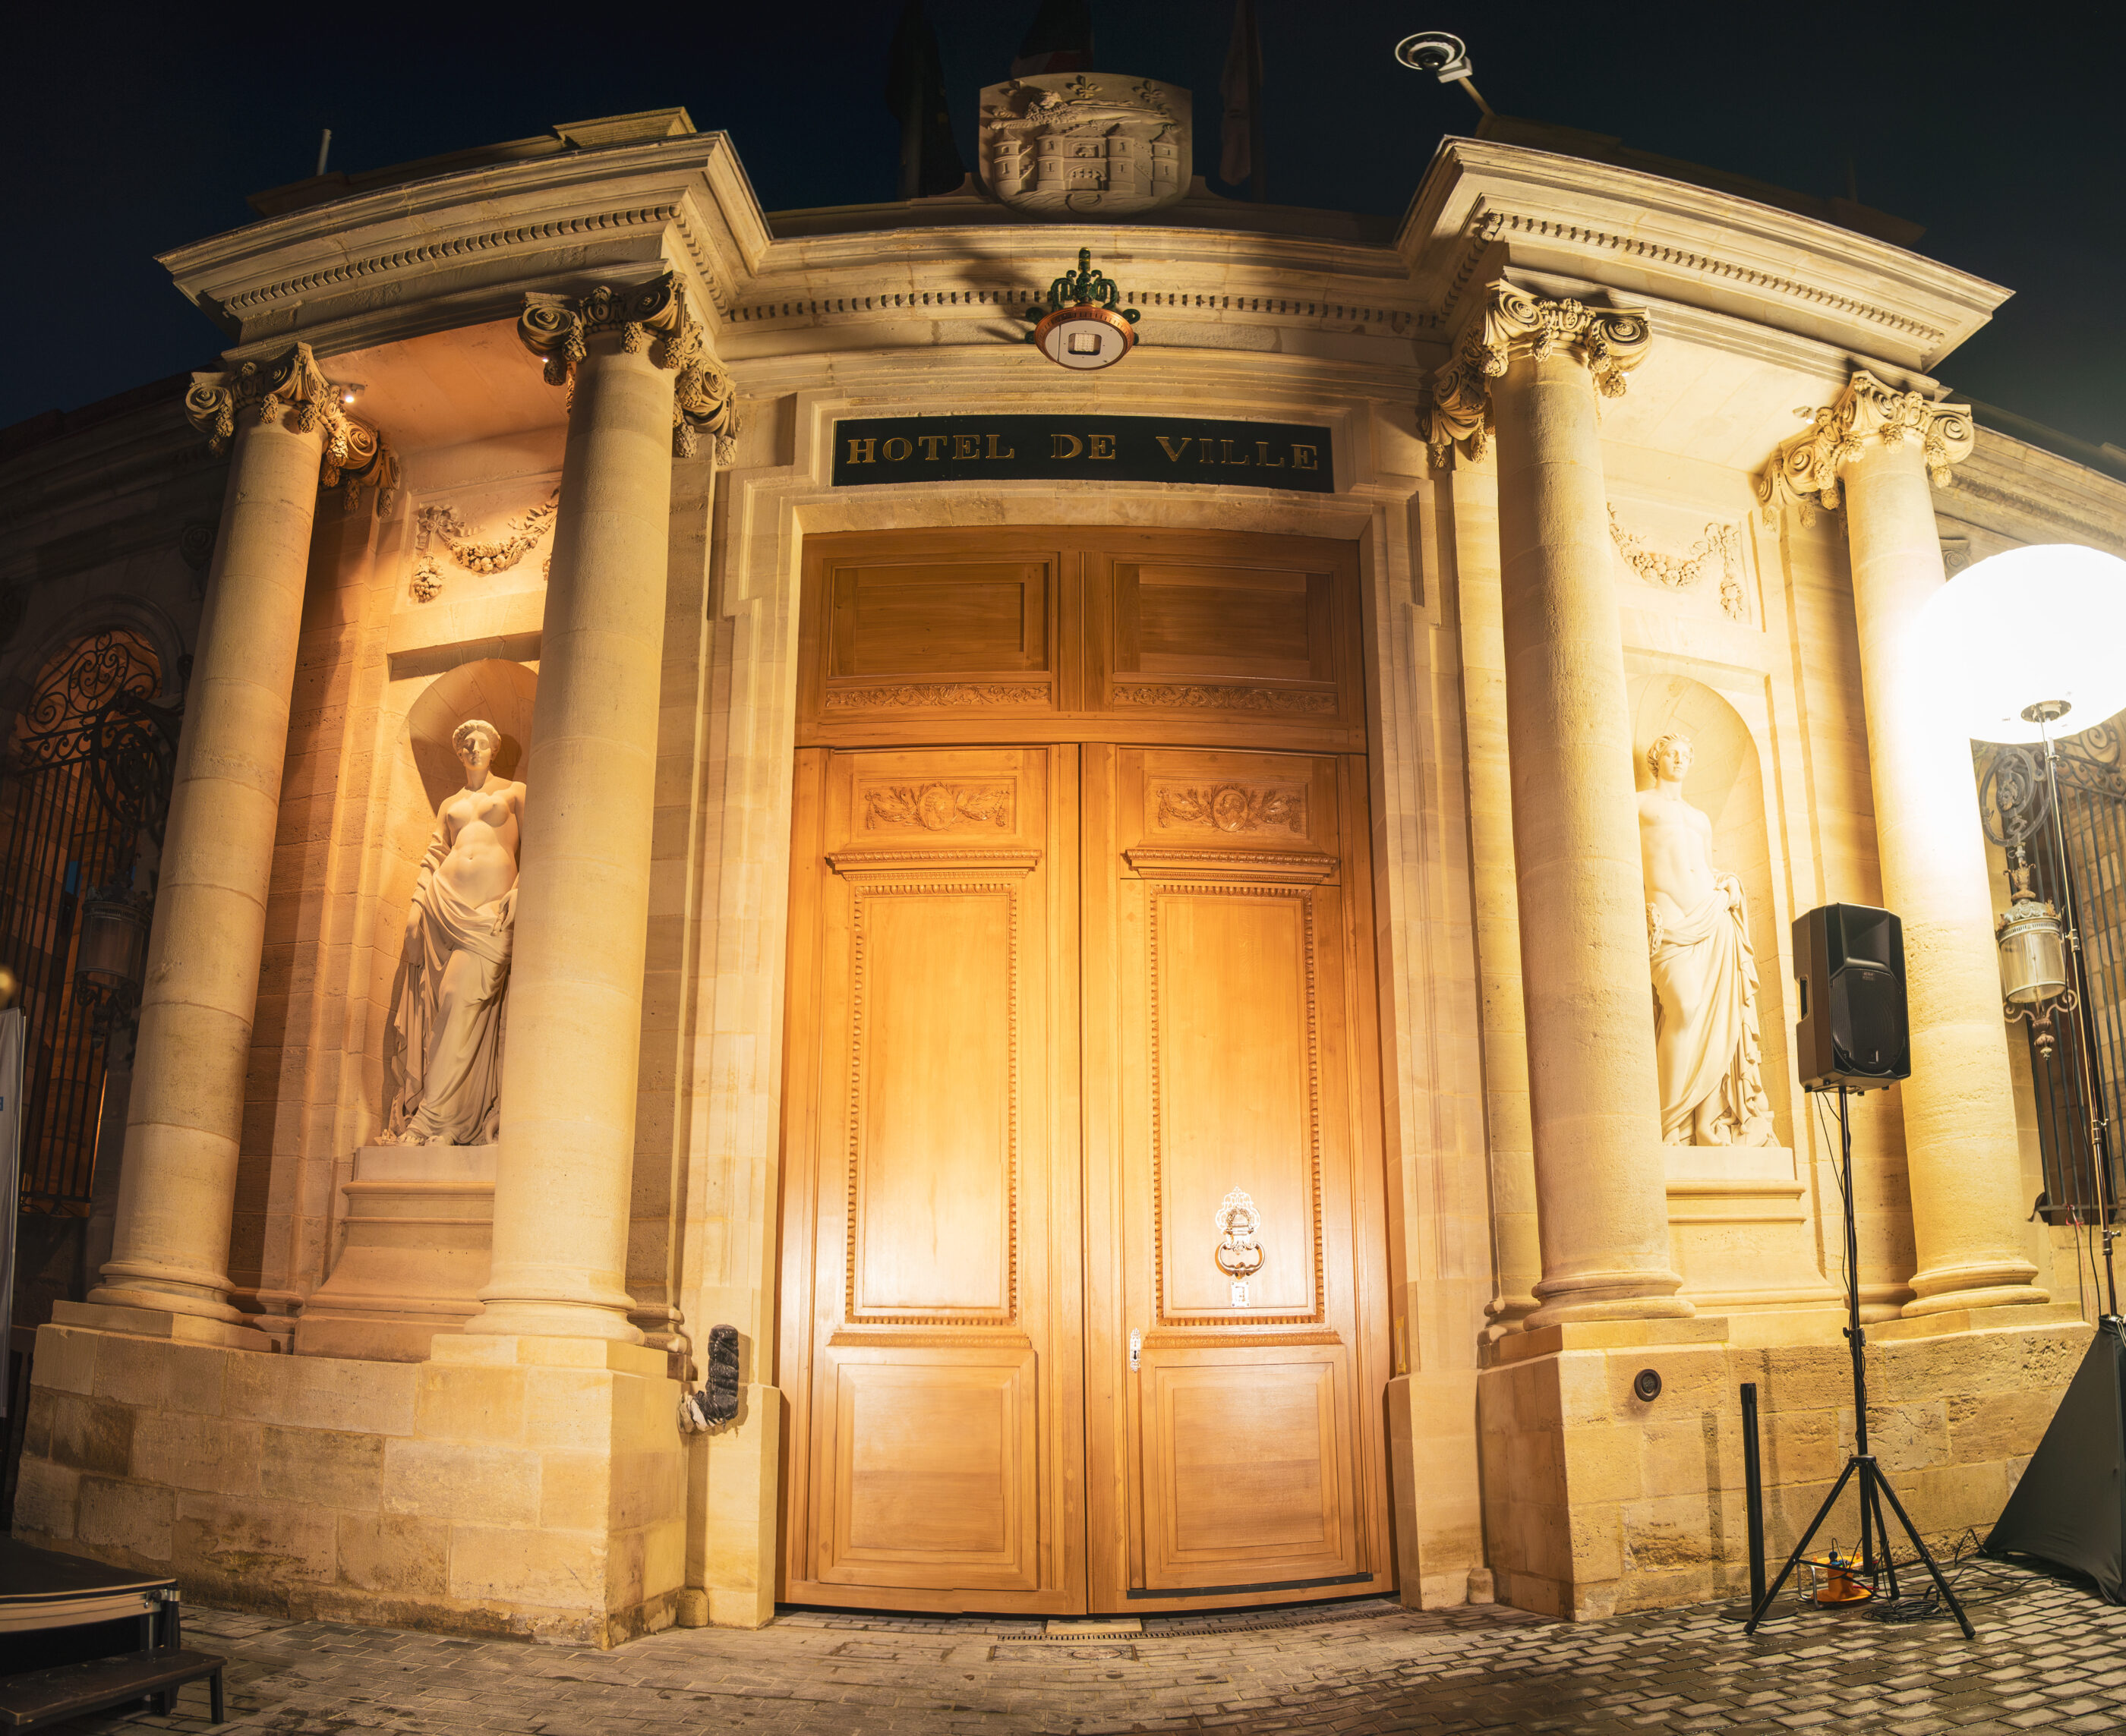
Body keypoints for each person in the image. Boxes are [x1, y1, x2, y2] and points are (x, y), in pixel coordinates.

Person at [378, 719, 523, 1145]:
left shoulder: (515, 792)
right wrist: (415, 907)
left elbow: (542, 844)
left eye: (481, 742)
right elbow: (434, 854)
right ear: (459, 754)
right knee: (444, 1004)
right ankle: (439, 1120)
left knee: (460, 998)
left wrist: (522, 888)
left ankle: (437, 1121)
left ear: (494, 749)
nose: (473, 748)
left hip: (489, 916)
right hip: (443, 908)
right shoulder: (450, 804)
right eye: (466, 744)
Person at [1637, 732, 1774, 1146]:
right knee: (1684, 1006)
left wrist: (1728, 884)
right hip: (1670, 925)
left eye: (1685, 755)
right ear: (1657, 759)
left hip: (1713, 918)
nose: (1679, 760)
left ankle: (1703, 1122)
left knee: (1717, 1020)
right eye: (1671, 753)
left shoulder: (1699, 818)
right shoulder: (1638, 804)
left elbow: (1704, 866)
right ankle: (1666, 1124)